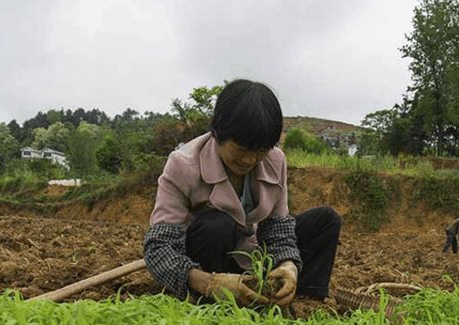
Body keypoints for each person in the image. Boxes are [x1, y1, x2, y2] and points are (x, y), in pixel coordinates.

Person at [143, 79, 341, 307]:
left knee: (325, 221)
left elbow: (277, 229)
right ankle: (208, 301)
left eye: (260, 151)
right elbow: (159, 248)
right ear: (217, 133)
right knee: (217, 225)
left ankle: (299, 300)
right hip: (207, 260)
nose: (249, 160)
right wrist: (210, 282)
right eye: (241, 150)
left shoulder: (275, 161)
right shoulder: (183, 166)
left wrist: (288, 265)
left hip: (250, 253)